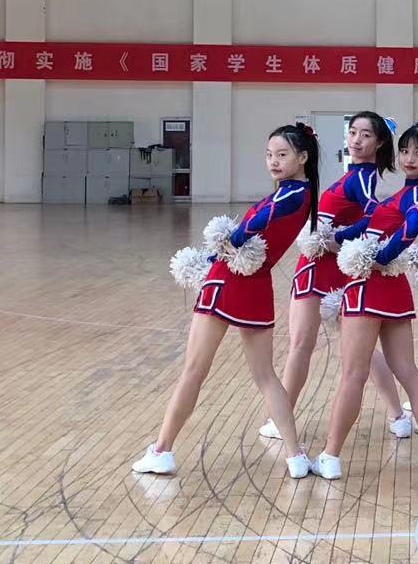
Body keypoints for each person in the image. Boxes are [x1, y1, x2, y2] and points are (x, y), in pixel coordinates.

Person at [134, 125, 317, 478]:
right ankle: (295, 456)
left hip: (228, 280)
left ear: (303, 157)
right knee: (266, 376)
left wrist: (224, 244)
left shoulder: (290, 194)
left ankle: (161, 450)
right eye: (269, 155)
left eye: (282, 155)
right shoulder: (306, 194)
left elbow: (252, 226)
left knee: (194, 370)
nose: (274, 161)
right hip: (257, 285)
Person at [313, 123, 418, 481]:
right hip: (391, 289)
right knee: (407, 371)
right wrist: (334, 237)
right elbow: (369, 225)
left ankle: (330, 455)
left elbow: (411, 229)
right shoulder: (406, 191)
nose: (409, 158)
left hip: (369, 286)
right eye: (404, 151)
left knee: (353, 374)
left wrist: (379, 258)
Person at [258, 112, 406, 442]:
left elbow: (375, 215)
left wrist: (336, 237)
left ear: (379, 142)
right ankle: (397, 414)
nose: (356, 140)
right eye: (352, 132)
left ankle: (281, 419)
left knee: (301, 345)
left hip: (319, 268)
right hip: (328, 266)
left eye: (365, 135)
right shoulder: (354, 174)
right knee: (358, 350)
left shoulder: (363, 177)